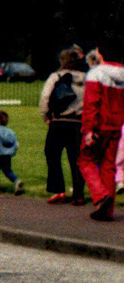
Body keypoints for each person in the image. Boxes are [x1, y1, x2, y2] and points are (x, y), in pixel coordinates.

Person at [79, 40, 124, 221]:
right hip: (115, 126)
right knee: (108, 166)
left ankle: (100, 196)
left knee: (86, 161)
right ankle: (107, 209)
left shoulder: (96, 73)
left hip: (98, 125)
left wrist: (88, 129)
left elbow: (91, 103)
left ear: (101, 53)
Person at [39, 49, 88, 205]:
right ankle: (78, 194)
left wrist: (46, 116)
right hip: (78, 123)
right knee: (77, 159)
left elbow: (45, 97)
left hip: (59, 121)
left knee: (53, 155)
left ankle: (58, 190)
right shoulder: (86, 78)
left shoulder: (56, 77)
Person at [0, 111, 23, 194]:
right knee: (7, 170)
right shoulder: (10, 131)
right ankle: (16, 180)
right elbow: (16, 144)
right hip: (7, 154)